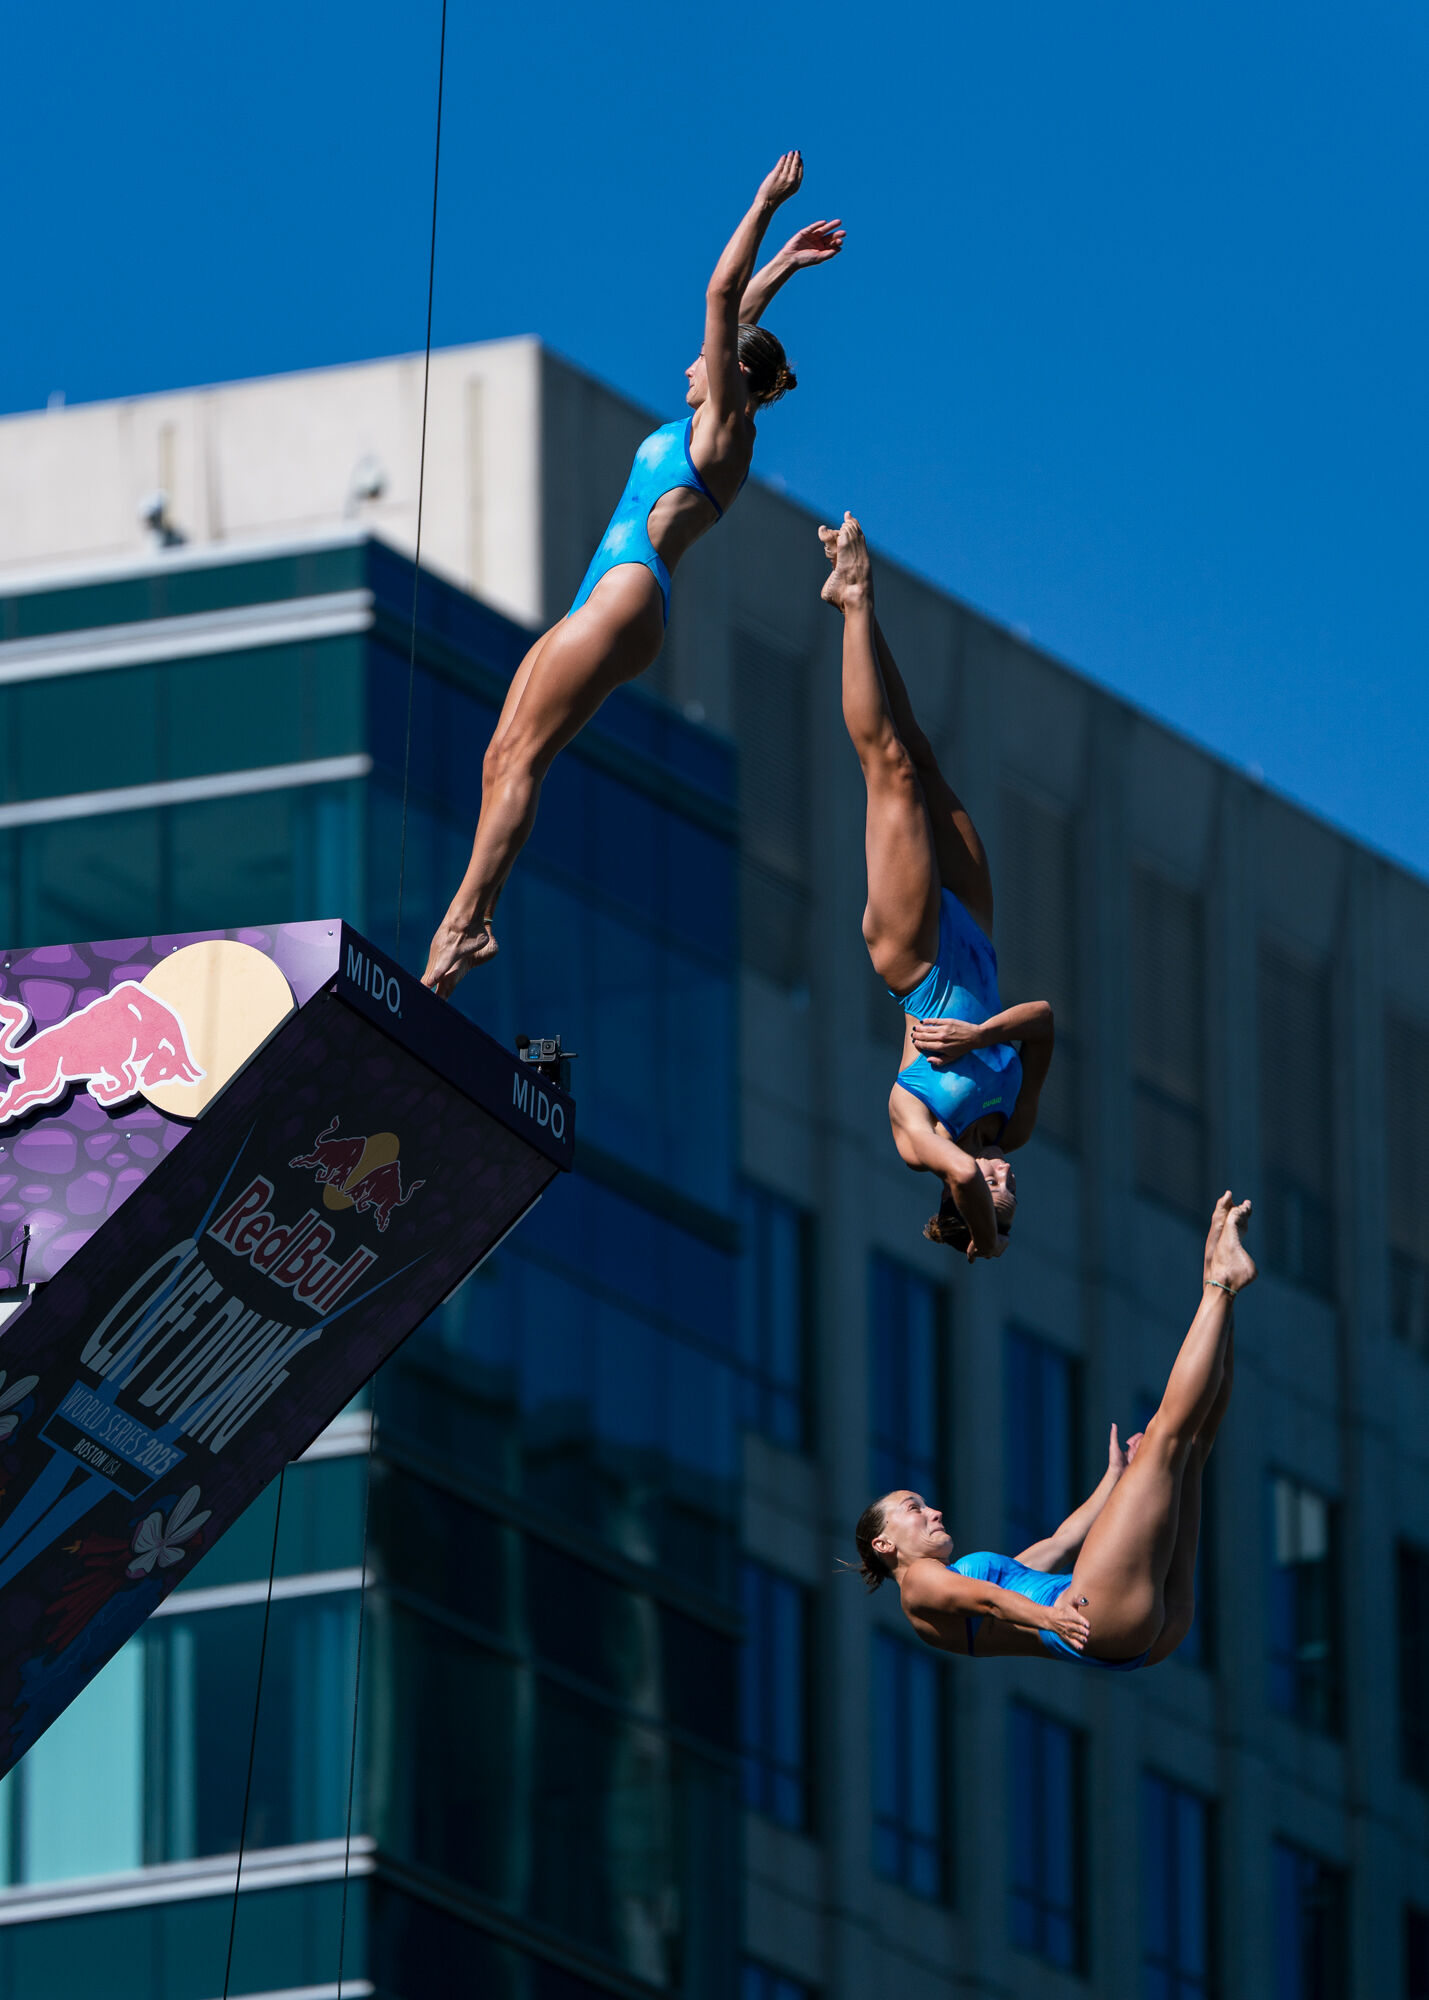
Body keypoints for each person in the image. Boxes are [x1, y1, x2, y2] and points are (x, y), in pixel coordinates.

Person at [423, 152, 845, 996]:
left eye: (709, 361)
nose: (690, 364)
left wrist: (760, 204)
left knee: (523, 757)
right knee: (503, 753)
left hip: (628, 592)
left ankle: (466, 927)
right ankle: (467, 920)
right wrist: (787, 269)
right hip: (611, 592)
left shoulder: (726, 433)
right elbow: (740, 315)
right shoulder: (715, 413)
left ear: (733, 376)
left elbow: (722, 304)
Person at [853, 1192, 1254, 1669]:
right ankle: (1219, 1283)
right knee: (1168, 1434)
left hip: (1137, 1632)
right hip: (1094, 1617)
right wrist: (1050, 1617)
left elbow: (1062, 1542)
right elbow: (990, 1602)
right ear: (884, 1544)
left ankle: (1221, 1284)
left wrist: (1115, 1478)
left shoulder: (974, 1577)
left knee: (1191, 1443)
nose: (934, 1511)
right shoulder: (918, 1584)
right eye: (913, 1509)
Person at [820, 513, 1053, 1260]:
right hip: (973, 939)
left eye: (999, 1198)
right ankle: (856, 608)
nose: (1004, 1180)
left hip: (915, 959)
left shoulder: (922, 1139)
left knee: (885, 768)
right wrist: (982, 1035)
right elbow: (1044, 1021)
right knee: (919, 754)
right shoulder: (1013, 1121)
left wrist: (985, 1243)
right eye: (1010, 1194)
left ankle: (855, 599)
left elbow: (958, 1179)